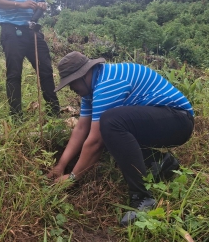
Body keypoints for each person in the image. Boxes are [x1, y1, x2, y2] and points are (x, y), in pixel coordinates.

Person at [48, 51, 194, 226]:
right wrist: (60, 165)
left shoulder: (107, 83)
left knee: (109, 123)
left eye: (72, 83)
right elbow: (81, 128)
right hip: (161, 120)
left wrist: (72, 178)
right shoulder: (91, 90)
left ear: (84, 74)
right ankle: (160, 163)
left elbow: (95, 141)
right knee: (110, 131)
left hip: (178, 121)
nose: (71, 88)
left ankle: (142, 199)